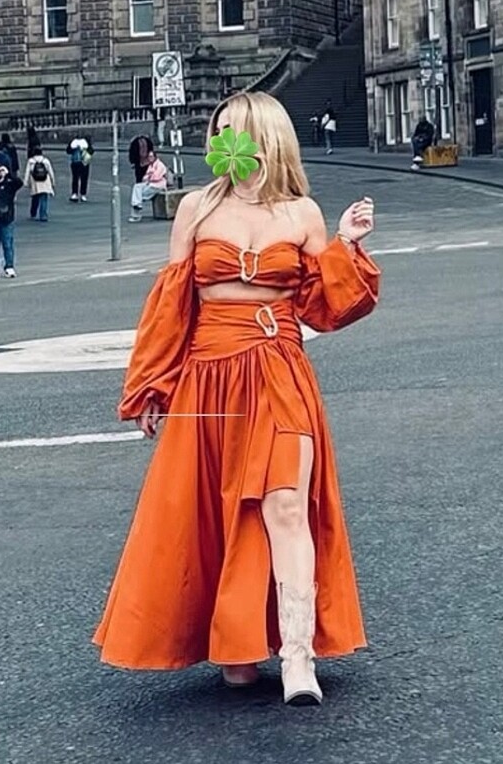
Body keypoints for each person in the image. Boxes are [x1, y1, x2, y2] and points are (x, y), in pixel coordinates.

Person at [93, 91, 380, 707]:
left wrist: (345, 245)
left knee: (286, 505)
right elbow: (173, 303)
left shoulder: (302, 212)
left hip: (280, 372)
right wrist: (152, 382)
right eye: (218, 130)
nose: (222, 142)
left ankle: (297, 654)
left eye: (235, 130)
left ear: (265, 137)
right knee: (221, 509)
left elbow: (323, 308)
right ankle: (238, 644)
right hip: (210, 376)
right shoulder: (195, 208)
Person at [128, 151, 168, 222]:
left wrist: (149, 176)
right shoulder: (151, 165)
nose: (150, 158)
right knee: (137, 187)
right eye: (149, 157)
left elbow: (156, 177)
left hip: (158, 186)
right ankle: (137, 206)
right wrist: (150, 175)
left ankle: (136, 214)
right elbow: (144, 178)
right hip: (150, 184)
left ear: (155, 157)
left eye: (151, 156)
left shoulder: (160, 165)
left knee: (138, 196)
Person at [24, 145, 56, 222]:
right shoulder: (46, 161)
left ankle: (33, 213)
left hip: (35, 182)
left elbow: (27, 172)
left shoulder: (31, 161)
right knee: (44, 199)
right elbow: (51, 172)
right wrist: (53, 182)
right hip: (45, 181)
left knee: (35, 198)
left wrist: (26, 182)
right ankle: (43, 215)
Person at [66, 135, 93, 202]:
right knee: (75, 178)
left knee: (83, 179)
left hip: (83, 162)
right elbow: (68, 150)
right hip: (76, 162)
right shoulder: (73, 141)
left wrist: (84, 149)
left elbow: (91, 151)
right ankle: (75, 193)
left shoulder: (85, 141)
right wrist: (73, 148)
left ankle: (82, 194)